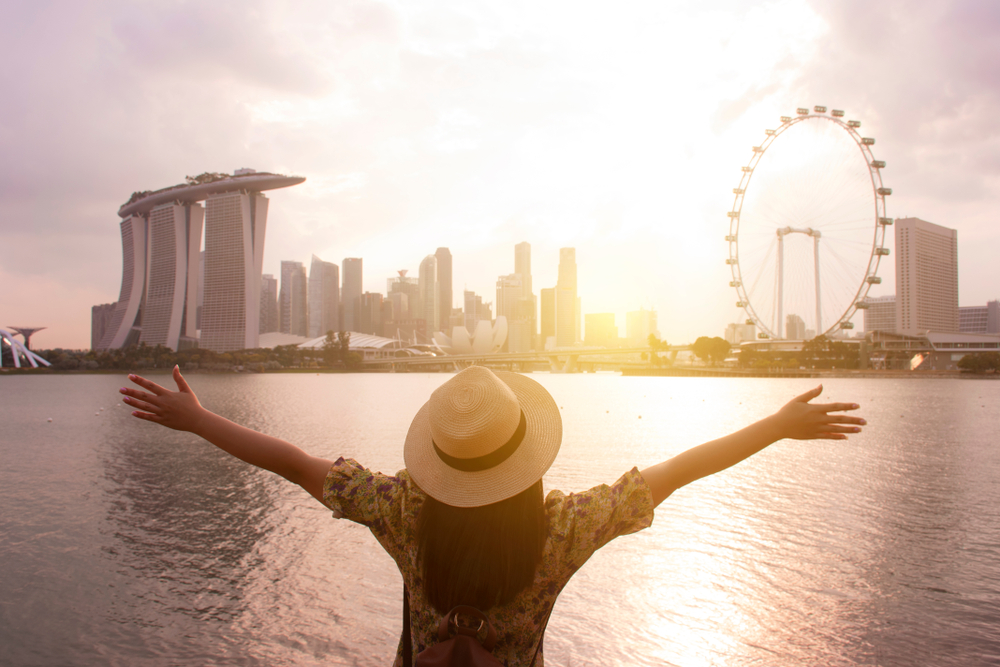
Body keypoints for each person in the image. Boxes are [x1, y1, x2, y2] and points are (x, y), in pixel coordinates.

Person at [120, 365, 864, 665]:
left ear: (441, 455)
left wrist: (198, 419)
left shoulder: (402, 512)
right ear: (525, 454)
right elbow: (675, 471)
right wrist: (773, 425)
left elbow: (289, 460)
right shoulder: (565, 528)